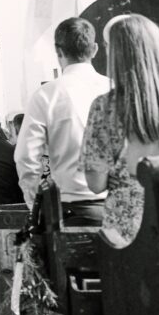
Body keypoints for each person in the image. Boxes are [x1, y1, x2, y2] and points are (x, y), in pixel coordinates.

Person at [78, 14, 159, 245]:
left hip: (128, 229)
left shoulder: (106, 107)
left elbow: (96, 183)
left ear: (118, 54)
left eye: (110, 46)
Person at [15, 17, 110, 224]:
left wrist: (35, 204)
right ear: (94, 49)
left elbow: (26, 158)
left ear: (58, 51)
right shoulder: (115, 89)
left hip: (70, 211)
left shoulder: (46, 95)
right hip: (119, 209)